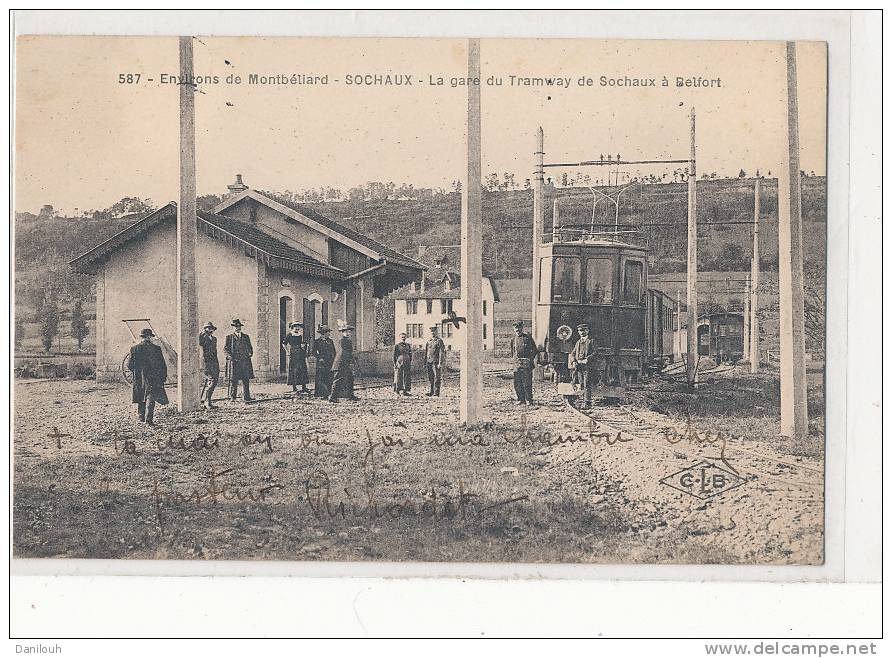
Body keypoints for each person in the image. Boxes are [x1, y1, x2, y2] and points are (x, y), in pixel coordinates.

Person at [128, 327, 168, 426]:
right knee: (151, 396)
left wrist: (137, 372)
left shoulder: (134, 349)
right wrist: (163, 377)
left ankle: (141, 417)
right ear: (149, 337)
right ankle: (149, 420)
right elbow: (162, 365)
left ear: (142, 337)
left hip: (139, 377)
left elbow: (129, 365)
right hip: (153, 377)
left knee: (141, 394)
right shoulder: (156, 349)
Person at [568, 322, 603, 408]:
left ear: (587, 331)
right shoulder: (578, 342)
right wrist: (573, 361)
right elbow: (573, 353)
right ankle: (584, 400)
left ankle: (587, 402)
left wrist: (587, 359)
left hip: (588, 366)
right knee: (581, 384)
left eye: (583, 330)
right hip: (579, 367)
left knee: (587, 383)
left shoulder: (591, 341)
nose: (581, 332)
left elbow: (596, 352)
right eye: (580, 330)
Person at [224, 318, 254, 402]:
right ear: (233, 328)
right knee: (234, 380)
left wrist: (250, 353)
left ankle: (246, 397)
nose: (238, 328)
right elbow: (225, 349)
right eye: (236, 326)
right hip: (235, 362)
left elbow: (250, 347)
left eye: (239, 326)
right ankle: (232, 397)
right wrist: (229, 356)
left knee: (246, 379)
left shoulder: (246, 337)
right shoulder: (229, 337)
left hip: (245, 361)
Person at [510, 320, 538, 406]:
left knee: (527, 382)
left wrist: (530, 359)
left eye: (519, 329)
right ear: (514, 330)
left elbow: (534, 350)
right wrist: (515, 361)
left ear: (521, 328)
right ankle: (521, 399)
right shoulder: (513, 339)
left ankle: (529, 399)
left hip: (527, 364)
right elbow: (512, 352)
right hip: (517, 364)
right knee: (517, 383)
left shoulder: (527, 338)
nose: (517, 330)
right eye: (516, 329)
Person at [329, 324, 357, 403]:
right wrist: (352, 356)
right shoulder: (342, 340)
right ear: (342, 333)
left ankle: (350, 395)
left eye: (349, 332)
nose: (347, 333)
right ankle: (332, 396)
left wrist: (352, 358)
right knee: (338, 379)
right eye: (345, 332)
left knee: (350, 379)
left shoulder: (349, 341)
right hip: (340, 363)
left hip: (346, 363)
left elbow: (349, 352)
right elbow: (344, 351)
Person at [282, 321, 310, 394]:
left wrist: (304, 347)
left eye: (298, 326)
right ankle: (294, 387)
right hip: (293, 353)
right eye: (296, 326)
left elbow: (301, 343)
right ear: (292, 327)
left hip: (300, 352)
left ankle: (304, 387)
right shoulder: (289, 335)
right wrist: (287, 352)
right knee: (294, 369)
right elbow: (284, 344)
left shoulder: (300, 335)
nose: (297, 328)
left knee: (303, 368)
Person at [198, 321, 220, 410]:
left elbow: (215, 352)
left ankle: (208, 400)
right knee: (212, 380)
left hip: (214, 362)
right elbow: (199, 341)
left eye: (211, 328)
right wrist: (203, 333)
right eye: (208, 328)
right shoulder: (203, 338)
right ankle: (207, 401)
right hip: (206, 363)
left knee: (214, 381)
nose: (210, 330)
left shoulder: (214, 339)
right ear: (205, 329)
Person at [313, 325, 336, 398]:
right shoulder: (317, 341)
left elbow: (334, 351)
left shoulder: (330, 341)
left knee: (329, 377)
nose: (329, 334)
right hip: (321, 362)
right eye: (328, 332)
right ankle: (321, 394)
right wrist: (319, 358)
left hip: (329, 361)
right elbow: (313, 352)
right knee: (321, 378)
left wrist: (334, 359)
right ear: (324, 333)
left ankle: (329, 393)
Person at [424, 324, 446, 397]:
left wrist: (440, 363)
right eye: (431, 332)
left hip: (436, 362)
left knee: (437, 377)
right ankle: (431, 391)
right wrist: (425, 362)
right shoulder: (429, 341)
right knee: (431, 377)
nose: (432, 333)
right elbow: (426, 352)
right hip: (429, 361)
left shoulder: (439, 341)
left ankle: (436, 392)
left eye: (434, 332)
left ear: (436, 332)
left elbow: (441, 352)